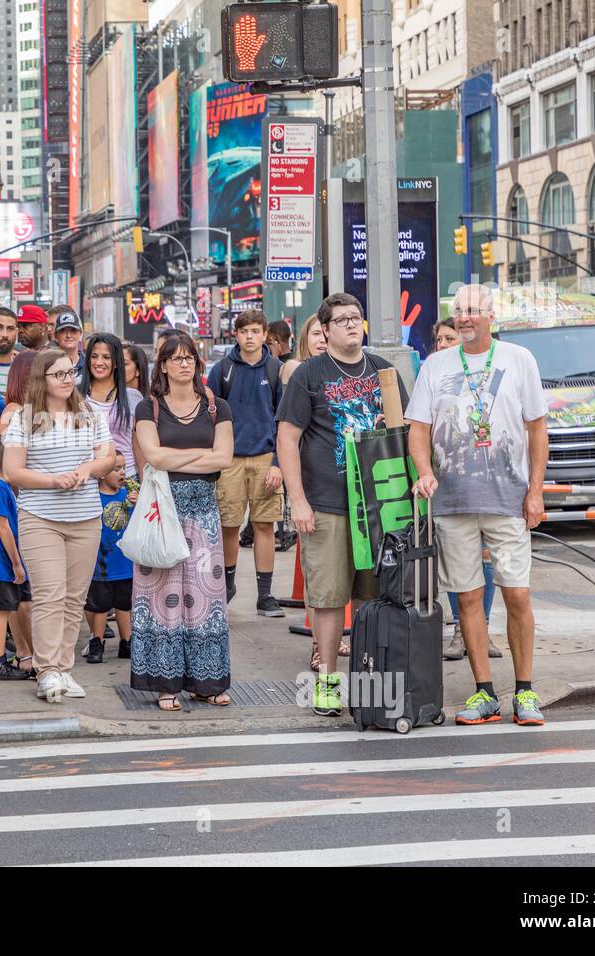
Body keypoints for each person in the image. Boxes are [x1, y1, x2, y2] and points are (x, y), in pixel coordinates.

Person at [409, 284, 549, 727]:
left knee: (517, 595)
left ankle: (525, 691)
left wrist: (536, 491)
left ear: (491, 316)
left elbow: (537, 429)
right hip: (451, 501)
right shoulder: (435, 364)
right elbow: (418, 429)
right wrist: (423, 471)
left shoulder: (519, 359)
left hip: (508, 497)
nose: (465, 318)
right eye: (459, 312)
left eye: (473, 311)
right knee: (467, 598)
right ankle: (484, 691)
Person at [277, 292, 407, 716]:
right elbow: (288, 439)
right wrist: (297, 500)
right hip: (328, 504)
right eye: (343, 320)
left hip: (380, 505)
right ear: (326, 329)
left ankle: (371, 680)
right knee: (330, 596)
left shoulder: (384, 371)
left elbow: (404, 433)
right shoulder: (309, 375)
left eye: (357, 318)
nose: (353, 325)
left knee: (374, 597)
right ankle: (328, 680)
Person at [3, 350, 115, 703]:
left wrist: (88, 470)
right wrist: (52, 480)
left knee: (74, 597)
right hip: (40, 517)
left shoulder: (90, 413)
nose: (68, 380)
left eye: (71, 373)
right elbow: (12, 471)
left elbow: (108, 457)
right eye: (59, 375)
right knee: (49, 594)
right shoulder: (24, 418)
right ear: (42, 380)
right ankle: (47, 669)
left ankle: (64, 669)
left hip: (85, 516)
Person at [131, 331, 235, 709]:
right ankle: (165, 683)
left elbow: (223, 458)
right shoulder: (149, 408)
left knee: (206, 598)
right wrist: (197, 455)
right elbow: (154, 457)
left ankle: (206, 682)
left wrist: (175, 456)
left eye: (189, 356)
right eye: (175, 358)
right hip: (162, 509)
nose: (183, 363)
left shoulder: (216, 407)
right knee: (162, 596)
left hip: (204, 511)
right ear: (162, 364)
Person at [430, 316, 500, 660]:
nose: (442, 344)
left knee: (486, 558)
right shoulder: (433, 376)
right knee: (457, 562)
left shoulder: (485, 379)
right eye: (439, 339)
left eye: (448, 338)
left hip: (485, 484)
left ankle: (481, 629)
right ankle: (461, 628)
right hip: (448, 484)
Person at [207, 310, 285, 617]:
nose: (250, 336)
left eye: (255, 331)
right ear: (235, 335)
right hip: (229, 458)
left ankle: (265, 594)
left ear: (265, 334)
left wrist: (279, 463)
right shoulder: (222, 370)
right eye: (244, 331)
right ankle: (226, 586)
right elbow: (209, 415)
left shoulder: (277, 369)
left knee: (265, 525)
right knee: (228, 525)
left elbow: (285, 421)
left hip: (266, 456)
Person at [0, 395, 35, 679]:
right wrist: (16, 562)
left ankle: (0, 658)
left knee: (6, 606)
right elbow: (3, 526)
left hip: (2, 561)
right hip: (3, 562)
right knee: (3, 609)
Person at [84, 453, 136, 662]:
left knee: (124, 604)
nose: (122, 472)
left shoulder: (129, 496)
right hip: (101, 563)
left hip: (124, 562)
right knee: (100, 606)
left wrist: (137, 504)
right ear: (102, 474)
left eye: (123, 468)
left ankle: (127, 641)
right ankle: (97, 642)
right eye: (116, 469)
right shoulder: (94, 498)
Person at [79, 332, 142, 477]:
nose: (99, 362)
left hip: (126, 477)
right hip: (90, 479)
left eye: (106, 357)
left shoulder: (132, 397)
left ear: (115, 362)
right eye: (94, 357)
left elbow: (138, 446)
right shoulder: (75, 394)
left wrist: (143, 485)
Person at [279, 314, 326, 387]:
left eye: (327, 334)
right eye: (316, 333)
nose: (323, 340)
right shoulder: (293, 367)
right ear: (305, 338)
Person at [49, 306, 84, 378]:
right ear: (56, 336)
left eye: (73, 330)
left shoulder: (90, 363)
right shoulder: (48, 363)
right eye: (63, 331)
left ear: (80, 334)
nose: (68, 335)